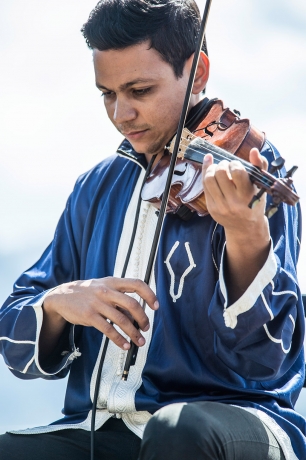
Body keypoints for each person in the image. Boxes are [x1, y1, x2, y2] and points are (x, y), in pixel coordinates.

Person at [0, 0, 305, 458]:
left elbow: (267, 362)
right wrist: (61, 303)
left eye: (139, 90)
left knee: (177, 429)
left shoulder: (250, 169)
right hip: (100, 427)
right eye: (107, 93)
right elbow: (11, 334)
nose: (121, 114)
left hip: (235, 422)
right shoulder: (95, 188)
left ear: (197, 72)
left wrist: (247, 239)